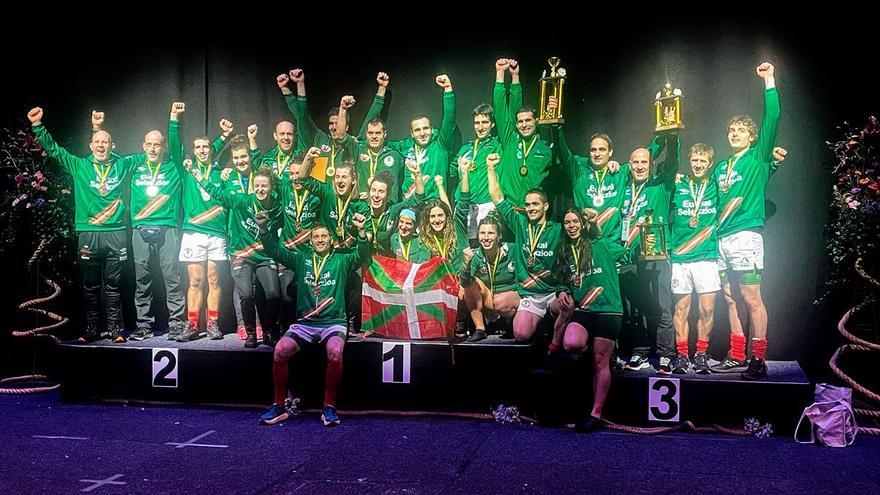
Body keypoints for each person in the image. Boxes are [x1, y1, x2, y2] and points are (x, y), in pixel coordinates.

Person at [27, 107, 136, 343]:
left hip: (116, 232)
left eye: (105, 142)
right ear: (90, 145)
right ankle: (92, 329)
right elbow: (54, 150)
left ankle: (115, 329)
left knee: (114, 286)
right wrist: (37, 126)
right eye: (97, 142)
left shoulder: (123, 165)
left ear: (113, 146)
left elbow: (150, 155)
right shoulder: (79, 165)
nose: (101, 145)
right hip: (89, 233)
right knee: (90, 286)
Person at [256, 211, 370, 427]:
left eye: (324, 236)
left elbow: (362, 254)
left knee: (335, 352)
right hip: (305, 324)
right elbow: (274, 250)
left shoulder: (342, 260)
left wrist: (362, 232)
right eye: (316, 237)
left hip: (333, 322)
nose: (320, 240)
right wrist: (263, 228)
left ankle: (329, 407)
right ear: (310, 241)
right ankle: (279, 406)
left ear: (331, 240)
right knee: (280, 350)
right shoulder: (301, 259)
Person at [711, 62, 780, 380]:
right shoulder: (720, 167)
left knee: (752, 297)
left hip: (746, 236)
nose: (735, 133)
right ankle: (737, 354)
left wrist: (769, 80)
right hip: (722, 238)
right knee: (729, 297)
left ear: (752, 137)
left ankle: (759, 359)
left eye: (741, 130)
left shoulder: (759, 156)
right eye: (731, 130)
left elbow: (773, 117)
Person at [552, 208, 625, 432]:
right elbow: (561, 279)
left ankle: (596, 413)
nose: (571, 226)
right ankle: (592, 349)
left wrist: (595, 225)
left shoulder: (600, 243)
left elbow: (622, 250)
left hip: (608, 310)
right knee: (570, 343)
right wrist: (562, 291)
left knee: (600, 361)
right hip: (584, 309)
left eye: (575, 221)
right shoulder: (564, 250)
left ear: (583, 224)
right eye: (567, 222)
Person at [487, 152, 565, 342]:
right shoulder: (520, 223)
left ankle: (552, 328)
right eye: (528, 204)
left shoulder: (558, 229)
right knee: (520, 333)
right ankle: (536, 323)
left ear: (546, 206)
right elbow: (496, 197)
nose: (531, 208)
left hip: (551, 293)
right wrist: (490, 168)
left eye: (535, 204)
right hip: (529, 295)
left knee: (568, 306)